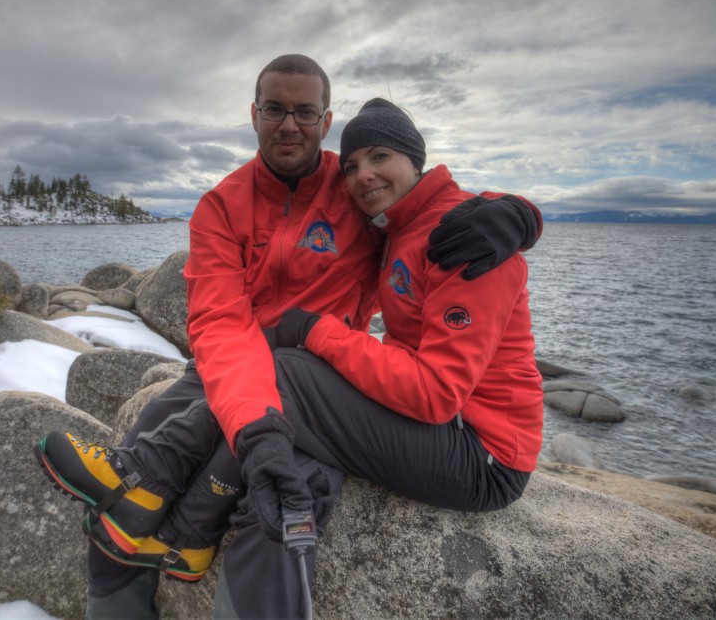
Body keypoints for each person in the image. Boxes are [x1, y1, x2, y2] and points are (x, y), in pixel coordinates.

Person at [33, 55, 541, 618]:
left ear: (325, 123)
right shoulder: (222, 208)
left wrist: (515, 214)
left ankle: (201, 547)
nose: (289, 125)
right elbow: (221, 325)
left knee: (281, 495)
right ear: (254, 115)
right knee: (124, 491)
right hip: (228, 370)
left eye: (305, 112)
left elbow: (427, 207)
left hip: (321, 379)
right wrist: (254, 422)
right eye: (275, 110)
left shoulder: (355, 193)